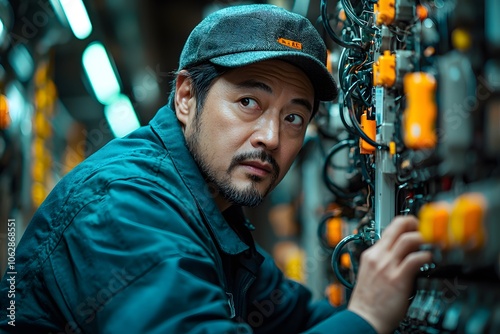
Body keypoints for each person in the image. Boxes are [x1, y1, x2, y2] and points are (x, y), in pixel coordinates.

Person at [0, 4, 431, 333]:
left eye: (294, 117)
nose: (271, 137)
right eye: (249, 103)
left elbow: (297, 318)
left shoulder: (214, 219)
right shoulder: (124, 204)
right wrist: (367, 317)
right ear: (186, 97)